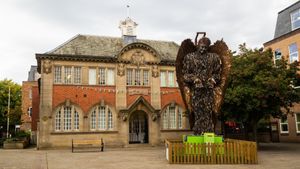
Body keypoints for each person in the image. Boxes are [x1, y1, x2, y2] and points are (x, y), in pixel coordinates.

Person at [182, 37, 222, 135]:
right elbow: (186, 74)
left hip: (209, 90)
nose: (203, 49)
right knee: (197, 110)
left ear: (208, 47)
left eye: (205, 47)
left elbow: (218, 73)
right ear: (197, 45)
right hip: (196, 90)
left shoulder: (214, 57)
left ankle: (209, 131)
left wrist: (212, 80)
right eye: (201, 47)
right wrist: (195, 79)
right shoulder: (190, 57)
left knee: (208, 110)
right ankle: (198, 131)